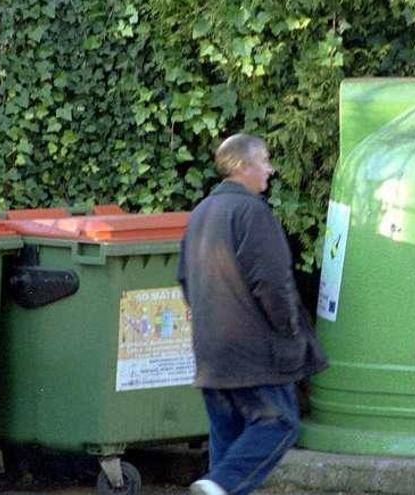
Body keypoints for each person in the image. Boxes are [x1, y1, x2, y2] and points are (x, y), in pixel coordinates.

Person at [178, 133, 328, 495]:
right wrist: (291, 332)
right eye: (264, 161)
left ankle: (217, 484)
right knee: (279, 424)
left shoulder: (201, 213)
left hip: (211, 353)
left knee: (228, 438)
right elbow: (274, 283)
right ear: (243, 166)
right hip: (257, 353)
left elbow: (185, 279)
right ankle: (218, 483)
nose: (270, 170)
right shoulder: (252, 213)